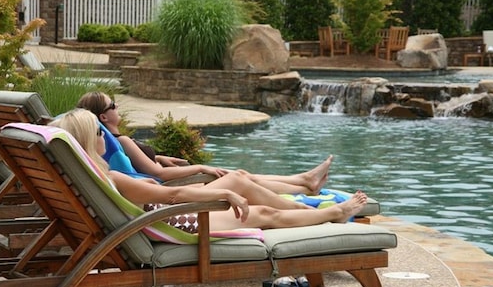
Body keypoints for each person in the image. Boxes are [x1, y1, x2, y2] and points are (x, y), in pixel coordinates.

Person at [48, 109, 369, 232]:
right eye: (98, 131)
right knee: (264, 215)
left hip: (156, 219)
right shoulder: (111, 178)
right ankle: (333, 214)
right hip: (172, 221)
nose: (105, 136)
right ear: (90, 141)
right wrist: (226, 192)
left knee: (253, 200)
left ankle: (312, 201)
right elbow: (173, 194)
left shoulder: (85, 178)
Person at [76, 91, 331, 195]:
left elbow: (149, 164)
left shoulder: (110, 141)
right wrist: (200, 168)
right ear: (103, 116)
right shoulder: (120, 140)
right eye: (113, 105)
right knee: (241, 177)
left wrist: (160, 155)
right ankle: (303, 187)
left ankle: (302, 180)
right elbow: (157, 174)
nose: (117, 106)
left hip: (161, 183)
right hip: (169, 188)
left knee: (242, 175)